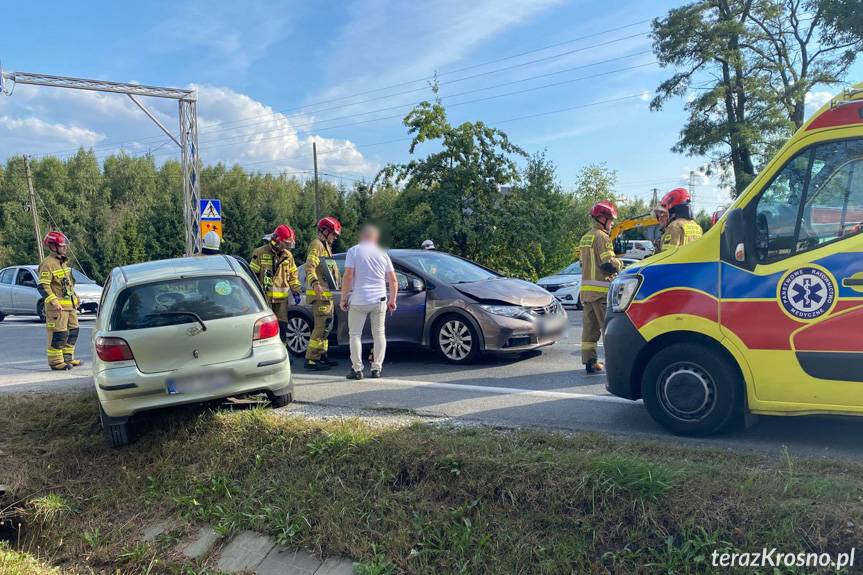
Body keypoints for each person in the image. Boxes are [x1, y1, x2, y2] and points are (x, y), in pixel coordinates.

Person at [340, 225, 398, 380]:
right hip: (379, 299)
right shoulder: (383, 254)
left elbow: (348, 276)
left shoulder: (353, 251)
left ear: (362, 236)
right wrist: (392, 300)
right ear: (375, 238)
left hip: (359, 299)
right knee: (379, 334)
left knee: (355, 334)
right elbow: (393, 280)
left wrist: (344, 298)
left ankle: (357, 370)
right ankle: (376, 368)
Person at [578, 201, 623, 374]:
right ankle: (614, 364)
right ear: (602, 218)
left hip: (587, 293)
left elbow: (583, 264)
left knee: (589, 331)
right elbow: (608, 264)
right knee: (609, 330)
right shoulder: (602, 237)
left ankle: (590, 362)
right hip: (601, 293)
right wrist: (620, 263)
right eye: (610, 220)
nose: (611, 224)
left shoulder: (586, 237)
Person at [249, 225, 302, 342]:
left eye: (289, 244)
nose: (288, 246)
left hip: (282, 302)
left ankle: (283, 354)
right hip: (265, 300)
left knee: (282, 330)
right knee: (266, 330)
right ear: (277, 241)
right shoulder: (260, 253)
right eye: (285, 243)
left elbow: (293, 275)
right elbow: (252, 276)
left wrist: (296, 290)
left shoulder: (288, 256)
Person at [37, 231, 81, 371]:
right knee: (58, 334)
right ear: (52, 247)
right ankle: (56, 362)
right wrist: (53, 301)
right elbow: (43, 286)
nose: (65, 248)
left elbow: (67, 284)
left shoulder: (62, 262)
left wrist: (76, 297)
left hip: (69, 306)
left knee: (73, 331)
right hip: (57, 308)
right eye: (62, 246)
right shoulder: (48, 264)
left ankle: (68, 358)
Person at [304, 216, 342, 370]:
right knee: (320, 328)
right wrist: (315, 284)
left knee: (326, 328)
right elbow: (309, 267)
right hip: (320, 297)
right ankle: (312, 359)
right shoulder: (317, 245)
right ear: (325, 231)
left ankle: (322, 355)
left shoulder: (326, 246)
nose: (335, 237)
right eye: (333, 234)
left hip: (327, 297)